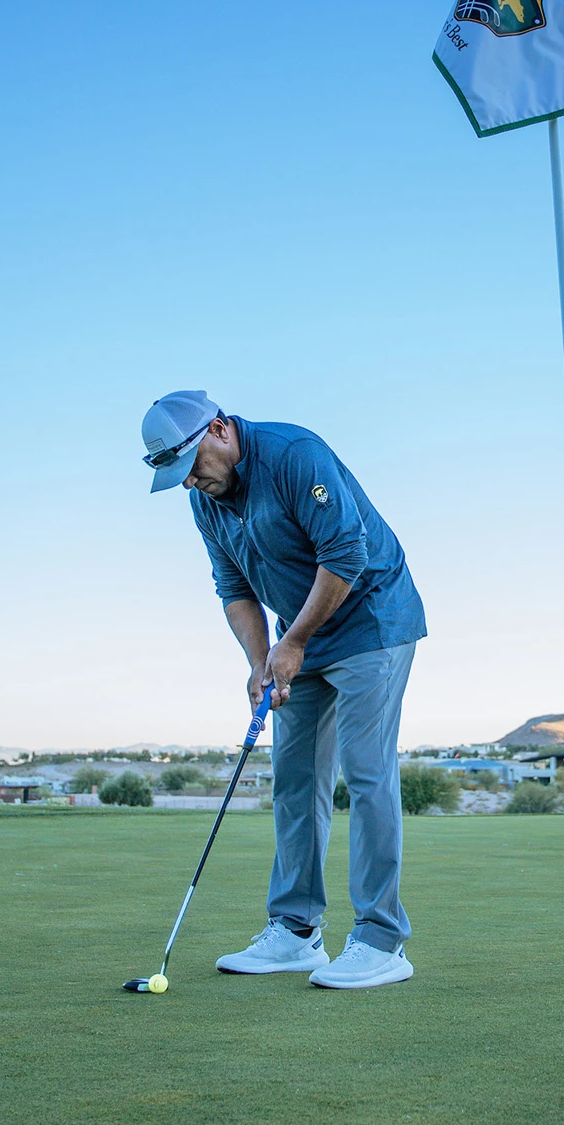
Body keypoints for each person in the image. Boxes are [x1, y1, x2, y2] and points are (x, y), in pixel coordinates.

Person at [140, 390, 427, 989]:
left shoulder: (296, 453)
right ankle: (296, 932)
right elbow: (234, 588)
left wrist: (289, 645)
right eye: (178, 477)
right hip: (300, 635)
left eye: (191, 466)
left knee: (367, 773)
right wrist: (259, 661)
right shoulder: (208, 503)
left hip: (372, 620)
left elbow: (347, 554)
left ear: (218, 430)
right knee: (295, 779)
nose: (190, 483)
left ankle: (381, 939)